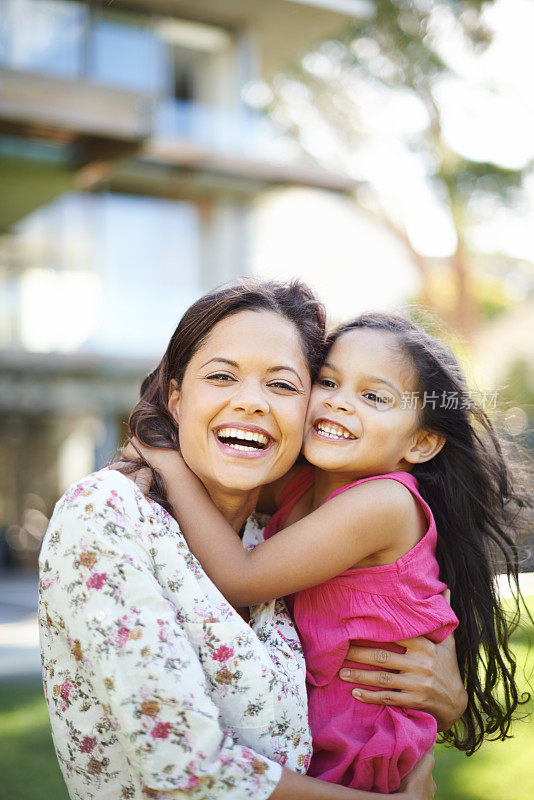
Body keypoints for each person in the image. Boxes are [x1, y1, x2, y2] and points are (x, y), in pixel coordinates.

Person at [39, 282, 462, 800]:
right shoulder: (108, 512)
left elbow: (416, 597)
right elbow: (186, 770)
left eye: (283, 385)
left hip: (359, 750)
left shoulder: (278, 529)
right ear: (175, 397)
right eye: (221, 376)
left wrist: (450, 689)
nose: (252, 403)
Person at [128, 311, 529, 794]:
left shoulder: (385, 503)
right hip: (320, 730)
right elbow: (223, 484)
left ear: (421, 442)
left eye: (374, 397)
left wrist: (166, 461)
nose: (339, 404)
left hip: (360, 742)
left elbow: (241, 576)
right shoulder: (302, 487)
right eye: (328, 382)